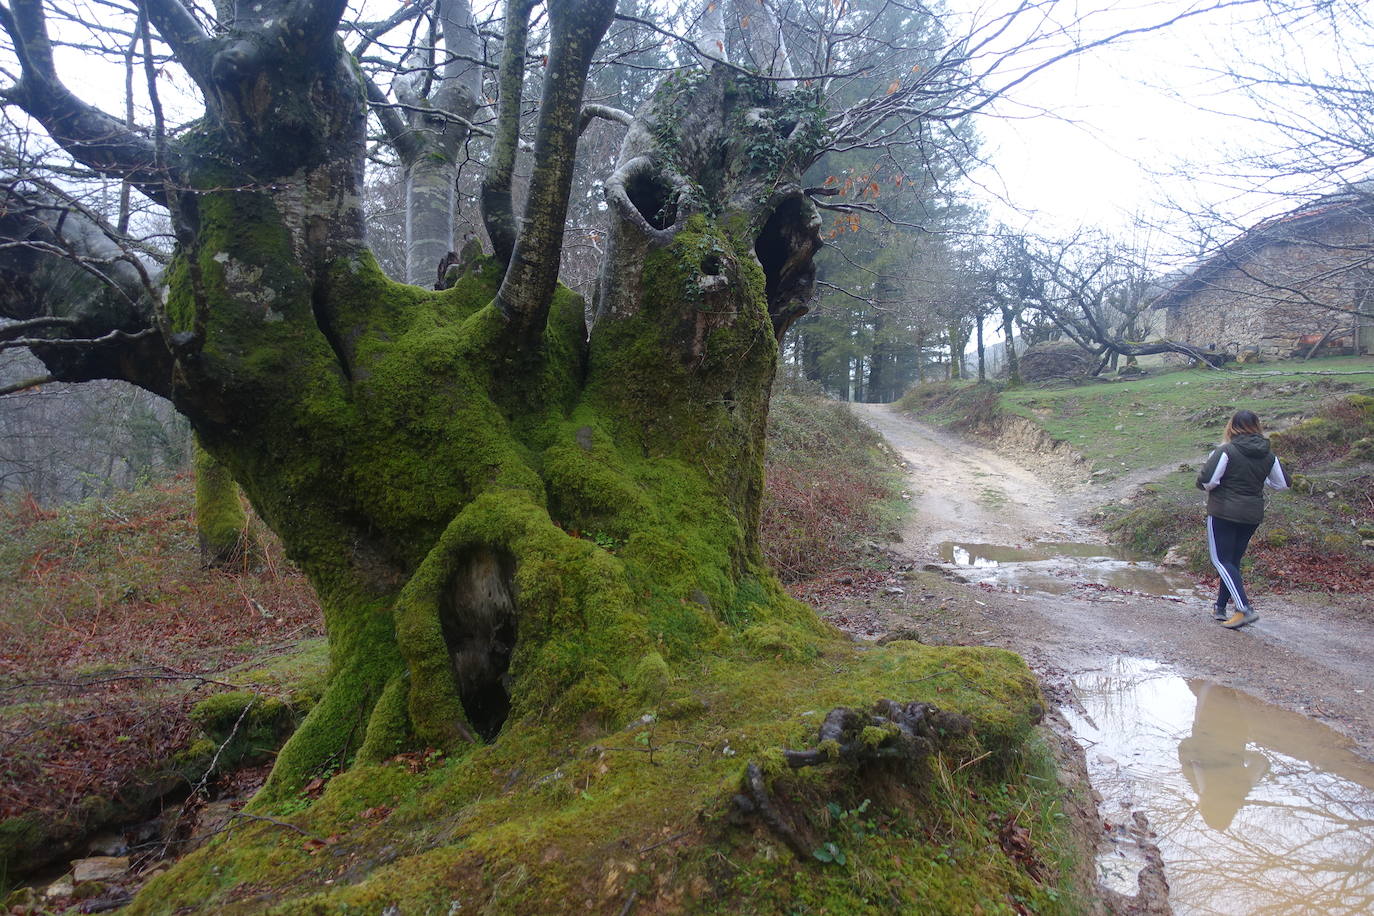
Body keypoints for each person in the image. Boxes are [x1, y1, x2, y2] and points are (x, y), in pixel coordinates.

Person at [1196, 410, 1291, 629]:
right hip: (1251, 515)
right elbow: (1283, 484)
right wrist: (1258, 481)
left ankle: (1244, 608)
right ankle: (1220, 607)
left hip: (1223, 512)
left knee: (1221, 560)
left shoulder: (1226, 451)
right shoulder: (1269, 455)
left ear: (1231, 427)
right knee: (1232, 561)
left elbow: (1207, 482)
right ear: (1258, 427)